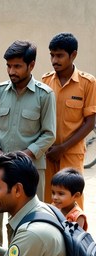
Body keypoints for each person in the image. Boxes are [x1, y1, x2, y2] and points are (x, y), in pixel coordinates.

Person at [0, 40, 56, 200]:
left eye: (17, 66)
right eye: (9, 66)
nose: (11, 71)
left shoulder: (45, 95)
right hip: (0, 168)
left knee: (30, 218)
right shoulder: (0, 91)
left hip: (31, 169)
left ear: (31, 65)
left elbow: (49, 134)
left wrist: (23, 156)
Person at [42, 32, 96, 208]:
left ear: (73, 55)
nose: (54, 60)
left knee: (73, 201)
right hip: (48, 153)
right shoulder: (46, 80)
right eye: (52, 55)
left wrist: (63, 148)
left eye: (60, 55)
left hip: (71, 153)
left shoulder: (88, 83)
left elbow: (90, 123)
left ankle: (75, 235)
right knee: (49, 200)